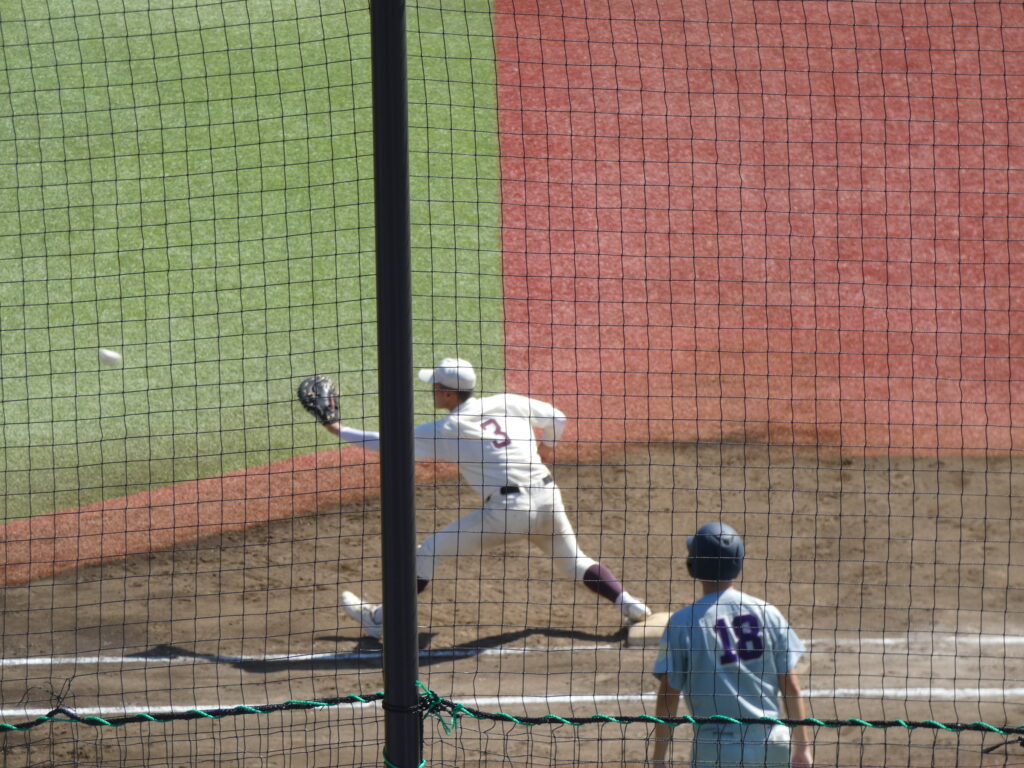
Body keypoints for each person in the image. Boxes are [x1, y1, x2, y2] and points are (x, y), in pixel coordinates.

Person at [321, 357, 652, 639]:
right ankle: (629, 603)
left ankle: (382, 620)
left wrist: (337, 428)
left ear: (448, 392)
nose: (432, 389)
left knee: (429, 551)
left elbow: (388, 441)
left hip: (509, 511)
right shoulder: (506, 402)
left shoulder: (450, 427)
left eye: (435, 385)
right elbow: (557, 418)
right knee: (575, 561)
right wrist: (547, 447)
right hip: (548, 497)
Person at [650, 522, 813, 767]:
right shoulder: (768, 613)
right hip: (772, 744)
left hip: (715, 750)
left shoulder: (682, 623)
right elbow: (791, 686)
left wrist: (659, 758)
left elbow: (667, 697)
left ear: (693, 563)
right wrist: (802, 748)